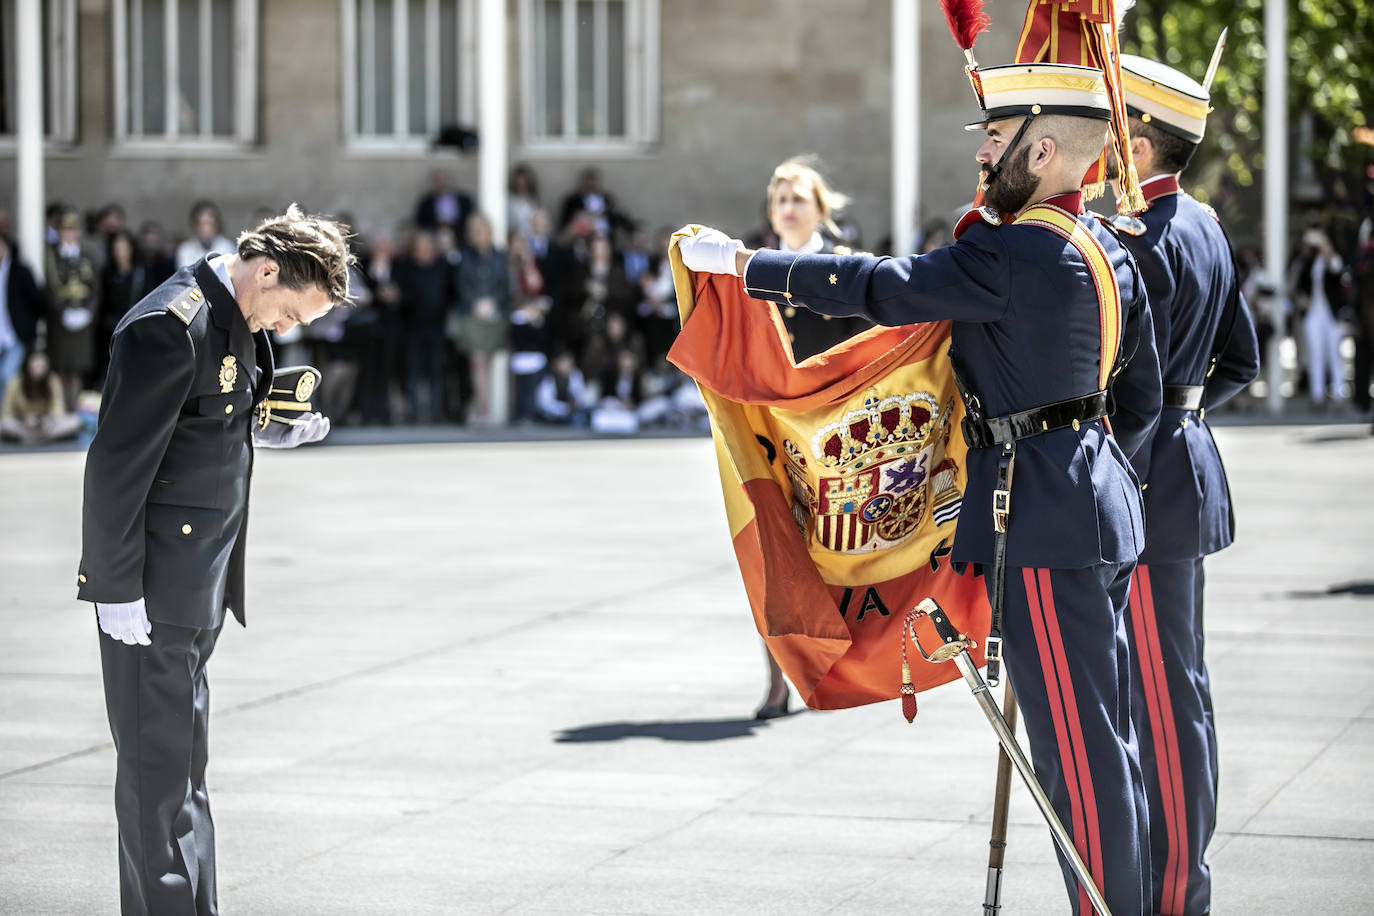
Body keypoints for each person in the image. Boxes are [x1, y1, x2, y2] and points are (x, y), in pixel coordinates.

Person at [680, 58, 1163, 915]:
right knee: (1107, 737)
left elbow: (882, 287)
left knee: (1074, 757)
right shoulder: (1105, 247)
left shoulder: (1013, 249)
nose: (983, 152)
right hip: (1097, 502)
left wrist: (748, 266)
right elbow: (1141, 396)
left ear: (1042, 149)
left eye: (995, 138)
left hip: (1046, 521)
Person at [78, 204, 350, 915]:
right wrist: (112, 588)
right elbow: (115, 467)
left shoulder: (236, 315)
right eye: (290, 313)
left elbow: (215, 420)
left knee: (186, 780)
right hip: (152, 595)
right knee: (155, 787)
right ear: (265, 272)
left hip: (197, 591)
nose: (285, 329)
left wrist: (269, 432)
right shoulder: (171, 325)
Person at [1108, 54, 1261, 916]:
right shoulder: (1204, 223)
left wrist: (1153, 428)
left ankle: (1177, 892)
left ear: (1139, 137)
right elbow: (1237, 357)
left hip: (1144, 479)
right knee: (1179, 686)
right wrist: (1187, 417)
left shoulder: (1138, 237)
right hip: (1186, 464)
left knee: (1163, 697)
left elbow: (1126, 388)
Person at [454, 213, 512, 425]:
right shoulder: (465, 256)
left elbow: (506, 286)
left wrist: (493, 303)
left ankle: (480, 405)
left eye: (485, 231)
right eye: (477, 232)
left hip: (495, 314)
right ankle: (482, 407)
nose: (482, 236)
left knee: (488, 362)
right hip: (473, 314)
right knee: (477, 361)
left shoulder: (500, 256)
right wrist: (476, 304)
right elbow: (462, 285)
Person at [45, 207, 102, 407]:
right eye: (64, 229)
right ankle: (62, 409)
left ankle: (75, 409)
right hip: (61, 318)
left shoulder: (86, 255)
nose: (68, 233)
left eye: (72, 229)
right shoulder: (52, 255)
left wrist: (89, 312)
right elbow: (51, 286)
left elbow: (96, 287)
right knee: (61, 366)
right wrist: (63, 311)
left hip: (83, 316)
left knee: (78, 367)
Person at [1291, 226, 1347, 408]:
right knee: (1315, 354)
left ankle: (1339, 394)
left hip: (1332, 315)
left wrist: (1324, 247)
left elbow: (1336, 270)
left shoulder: (1334, 259)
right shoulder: (1309, 262)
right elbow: (1301, 282)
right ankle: (1318, 395)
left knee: (1334, 354)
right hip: (1314, 313)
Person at [0, 349, 81, 443]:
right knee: (5, 425)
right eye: (35, 366)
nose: (37, 369)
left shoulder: (52, 381)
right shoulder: (15, 382)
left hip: (45, 427)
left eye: (40, 366)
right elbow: (7, 412)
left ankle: (32, 439)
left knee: (75, 421)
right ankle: (38, 439)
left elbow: (58, 407)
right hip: (22, 426)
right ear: (28, 365)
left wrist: (45, 419)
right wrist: (23, 418)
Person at [0, 233, 44, 404]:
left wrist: (29, 326)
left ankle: (5, 416)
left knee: (7, 375)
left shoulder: (20, 271)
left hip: (15, 335)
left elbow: (38, 301)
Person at [174, 200, 236, 268]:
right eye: (202, 224)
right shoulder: (185, 250)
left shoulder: (227, 247)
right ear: (195, 225)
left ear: (217, 224)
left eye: (209, 223)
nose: (206, 229)